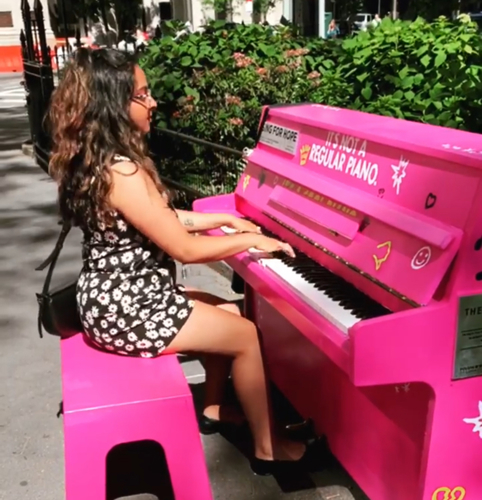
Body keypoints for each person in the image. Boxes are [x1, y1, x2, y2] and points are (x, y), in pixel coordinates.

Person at [48, 48, 312, 476]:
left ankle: (213, 408)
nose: (153, 102)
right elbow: (183, 249)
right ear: (115, 105)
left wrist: (224, 218)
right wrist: (251, 238)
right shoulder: (124, 173)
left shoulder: (97, 161)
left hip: (112, 298)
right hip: (129, 307)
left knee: (227, 309)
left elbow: (162, 219)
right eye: (142, 94)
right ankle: (269, 449)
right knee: (244, 333)